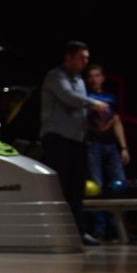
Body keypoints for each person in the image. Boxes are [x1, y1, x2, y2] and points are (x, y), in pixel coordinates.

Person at [39, 40, 109, 247]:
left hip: (78, 140)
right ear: (68, 58)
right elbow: (69, 98)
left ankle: (79, 231)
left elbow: (81, 109)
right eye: (81, 57)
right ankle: (56, 231)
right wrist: (95, 103)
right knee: (59, 187)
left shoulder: (79, 80)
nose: (85, 62)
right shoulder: (55, 76)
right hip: (57, 139)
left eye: (87, 58)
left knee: (76, 190)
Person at [84, 63, 129, 241]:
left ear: (102, 78)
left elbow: (117, 122)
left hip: (111, 145)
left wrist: (123, 147)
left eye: (97, 76)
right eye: (90, 76)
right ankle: (100, 228)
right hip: (92, 145)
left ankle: (118, 228)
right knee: (96, 187)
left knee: (119, 185)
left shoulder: (110, 98)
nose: (94, 79)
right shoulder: (85, 97)